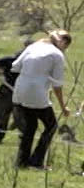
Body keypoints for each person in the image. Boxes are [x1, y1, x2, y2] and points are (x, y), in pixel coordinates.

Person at [9, 29, 71, 170]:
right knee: (51, 125)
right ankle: (36, 161)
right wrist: (63, 107)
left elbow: (15, 67)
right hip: (36, 94)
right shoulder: (57, 55)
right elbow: (57, 85)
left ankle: (22, 162)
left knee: (30, 127)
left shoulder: (33, 46)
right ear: (63, 43)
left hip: (20, 90)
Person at [0, 50, 24, 144]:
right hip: (7, 90)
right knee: (3, 114)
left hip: (21, 91)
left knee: (21, 116)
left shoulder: (30, 64)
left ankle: (23, 138)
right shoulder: (10, 60)